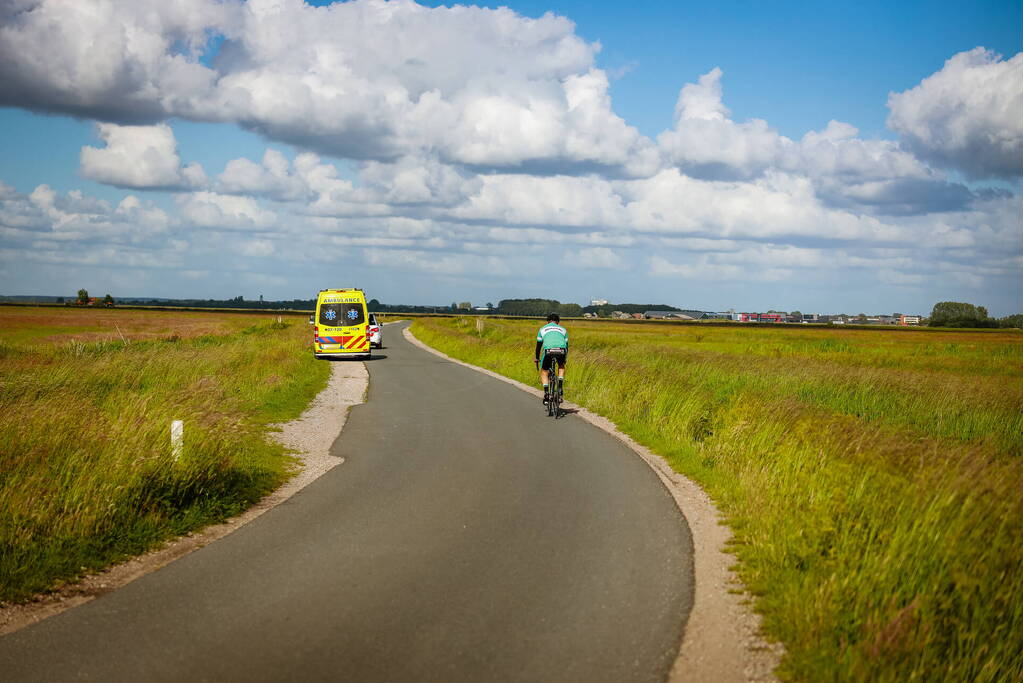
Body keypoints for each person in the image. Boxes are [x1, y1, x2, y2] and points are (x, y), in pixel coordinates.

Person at [534, 312, 568, 404]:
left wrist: (537, 358)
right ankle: (560, 387)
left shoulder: (542, 329)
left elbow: (538, 346)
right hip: (561, 350)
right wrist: (564, 359)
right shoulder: (563, 329)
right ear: (558, 322)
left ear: (548, 321)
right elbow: (567, 346)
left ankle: (546, 394)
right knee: (561, 366)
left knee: (544, 371)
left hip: (549, 350)